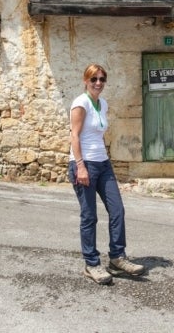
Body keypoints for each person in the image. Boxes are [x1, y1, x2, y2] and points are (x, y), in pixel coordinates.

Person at [67, 63, 146, 285]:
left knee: (117, 209)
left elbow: (99, 134)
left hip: (102, 163)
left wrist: (105, 158)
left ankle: (117, 258)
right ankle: (91, 263)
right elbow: (74, 136)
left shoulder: (102, 103)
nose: (98, 83)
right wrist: (80, 166)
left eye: (102, 79)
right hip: (84, 164)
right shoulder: (80, 103)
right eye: (94, 79)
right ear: (86, 81)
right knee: (89, 215)